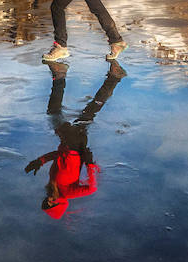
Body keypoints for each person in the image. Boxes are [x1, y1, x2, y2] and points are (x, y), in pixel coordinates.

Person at [25, 61, 124, 218]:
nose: (49, 199)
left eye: (47, 202)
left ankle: (114, 76)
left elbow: (58, 157)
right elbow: (92, 189)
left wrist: (41, 161)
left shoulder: (54, 185)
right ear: (60, 203)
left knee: (88, 112)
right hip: (75, 146)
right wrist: (90, 165)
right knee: (54, 112)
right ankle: (60, 75)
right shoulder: (68, 193)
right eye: (52, 203)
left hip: (68, 145)